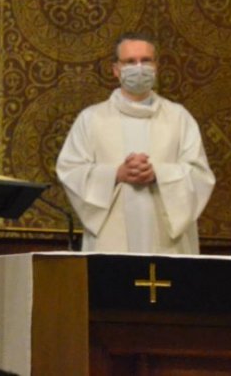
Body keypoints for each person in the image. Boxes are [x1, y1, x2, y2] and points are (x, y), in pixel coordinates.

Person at [56, 32, 215, 254]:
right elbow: (70, 170)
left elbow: (200, 176)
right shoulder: (92, 119)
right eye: (130, 61)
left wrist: (157, 173)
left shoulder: (179, 118)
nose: (139, 67)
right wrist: (116, 174)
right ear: (116, 69)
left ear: (156, 66)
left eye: (145, 60)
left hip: (167, 243)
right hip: (111, 241)